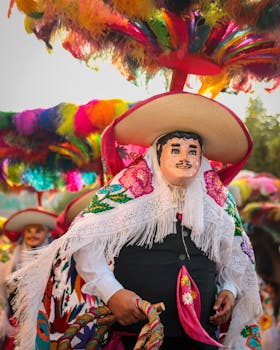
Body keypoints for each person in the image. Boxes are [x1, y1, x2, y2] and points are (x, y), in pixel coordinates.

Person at [8, 92, 263, 349]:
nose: (184, 157)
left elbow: (235, 255)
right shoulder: (126, 190)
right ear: (157, 154)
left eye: (192, 150)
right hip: (137, 337)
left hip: (202, 338)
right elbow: (85, 243)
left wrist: (229, 290)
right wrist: (113, 294)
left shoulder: (219, 200)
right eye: (175, 149)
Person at [0, 208, 58, 350]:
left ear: (47, 233)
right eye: (28, 230)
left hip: (44, 327)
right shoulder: (10, 266)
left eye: (38, 230)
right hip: (15, 328)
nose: (32, 234)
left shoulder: (55, 264)